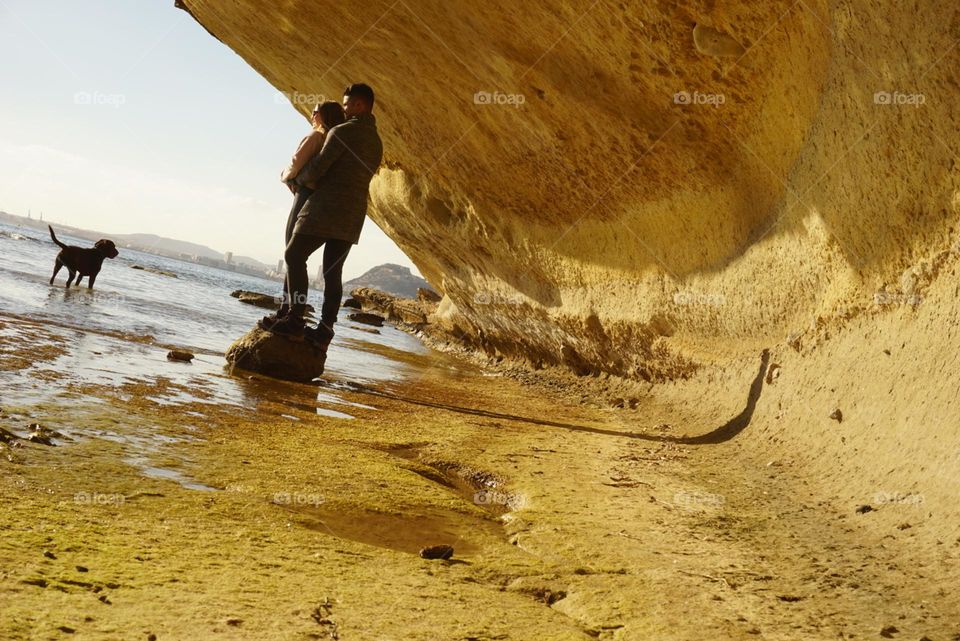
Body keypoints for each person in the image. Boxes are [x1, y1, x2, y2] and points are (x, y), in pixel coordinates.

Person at [262, 83, 384, 352]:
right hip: (352, 215)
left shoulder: (342, 132)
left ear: (360, 106)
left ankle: (294, 319)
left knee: (294, 255)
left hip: (325, 208)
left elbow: (318, 169)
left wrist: (296, 180)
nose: (343, 108)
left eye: (347, 104)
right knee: (332, 273)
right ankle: (324, 332)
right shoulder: (377, 142)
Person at [271, 101, 346, 319]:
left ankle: (288, 310)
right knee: (297, 255)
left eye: (314, 112)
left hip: (304, 194)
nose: (312, 115)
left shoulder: (316, 136)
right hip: (321, 200)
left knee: (292, 253)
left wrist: (285, 176)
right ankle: (290, 309)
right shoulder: (335, 140)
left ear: (321, 115)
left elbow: (296, 162)